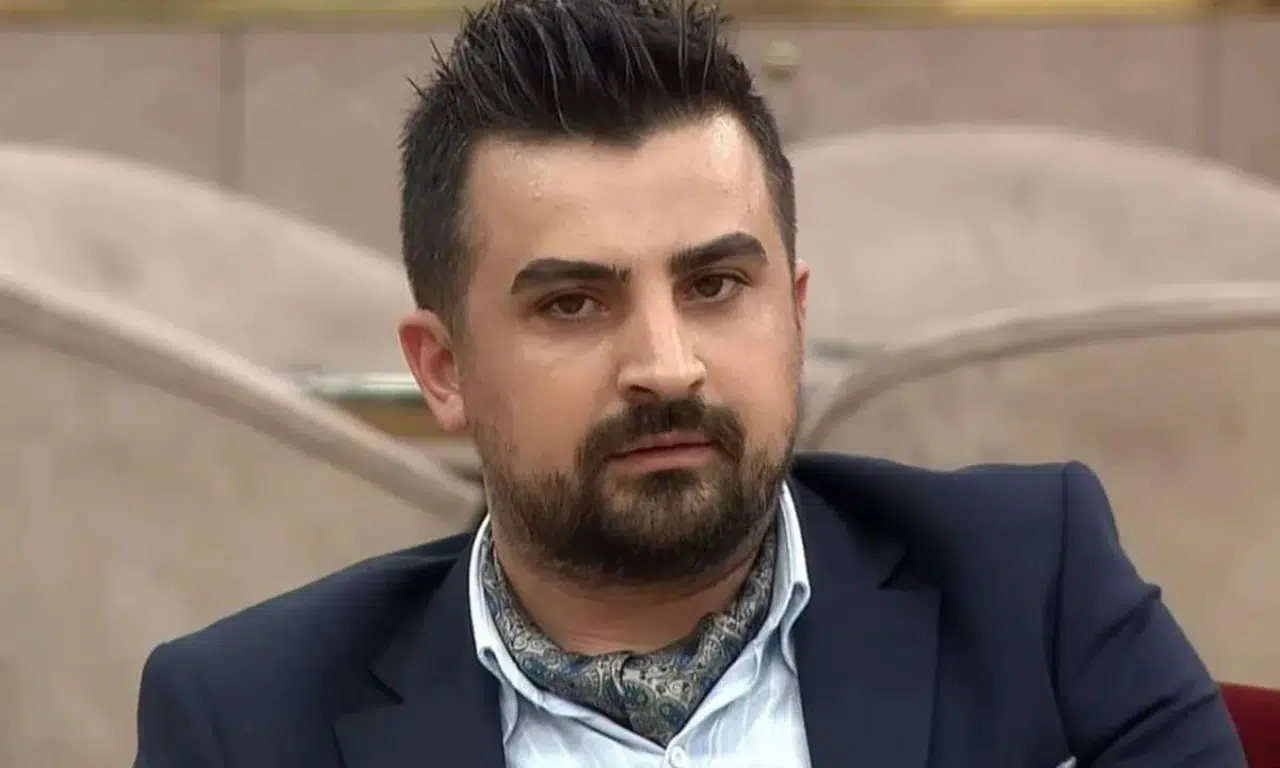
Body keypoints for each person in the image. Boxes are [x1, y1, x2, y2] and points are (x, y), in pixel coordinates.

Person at [132, 1, 1245, 766]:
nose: (666, 365)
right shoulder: (247, 721)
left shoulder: (1032, 586)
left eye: (714, 286)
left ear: (794, 312)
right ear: (444, 370)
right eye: (573, 304)